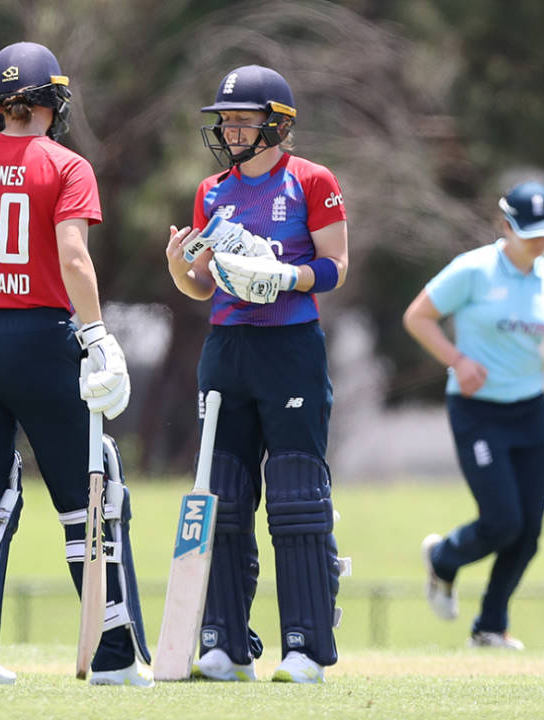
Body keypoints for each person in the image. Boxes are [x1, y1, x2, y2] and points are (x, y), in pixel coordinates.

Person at [0, 41, 151, 686]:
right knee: (90, 497)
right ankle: (115, 656)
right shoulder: (68, 166)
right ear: (54, 101)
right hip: (43, 338)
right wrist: (98, 334)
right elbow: (73, 258)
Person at [163, 65, 350, 684]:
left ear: (278, 124)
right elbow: (197, 284)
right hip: (228, 346)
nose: (232, 130)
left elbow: (335, 266)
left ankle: (306, 648)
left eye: (244, 119)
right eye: (226, 120)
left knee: (296, 498)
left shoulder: (311, 182)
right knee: (223, 498)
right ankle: (223, 643)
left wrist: (285, 276)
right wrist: (177, 266)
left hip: (290, 346)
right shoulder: (211, 191)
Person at [402, 180, 544, 650]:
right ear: (505, 226)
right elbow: (417, 317)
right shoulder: (474, 270)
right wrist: (457, 360)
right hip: (477, 412)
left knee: (528, 533)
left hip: (530, 410)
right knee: (503, 521)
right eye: (530, 232)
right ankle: (443, 559)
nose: (540, 241)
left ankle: (490, 627)